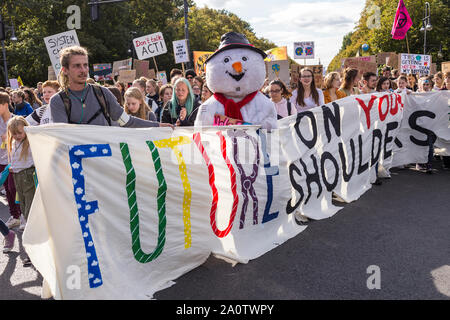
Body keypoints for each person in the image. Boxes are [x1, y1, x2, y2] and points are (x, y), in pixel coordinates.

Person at [50, 46, 172, 128]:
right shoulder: (58, 101)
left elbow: (126, 121)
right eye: (77, 66)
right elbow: (62, 136)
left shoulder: (102, 93)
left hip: (105, 161)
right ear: (65, 70)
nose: (83, 70)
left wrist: (158, 126)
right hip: (77, 163)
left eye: (85, 65)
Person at [0, 92, 22, 230]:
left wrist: (9, 138)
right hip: (0, 160)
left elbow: (23, 138)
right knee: (7, 190)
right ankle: (15, 216)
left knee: (13, 188)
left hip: (12, 161)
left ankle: (19, 215)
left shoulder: (15, 120)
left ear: (5, 105)